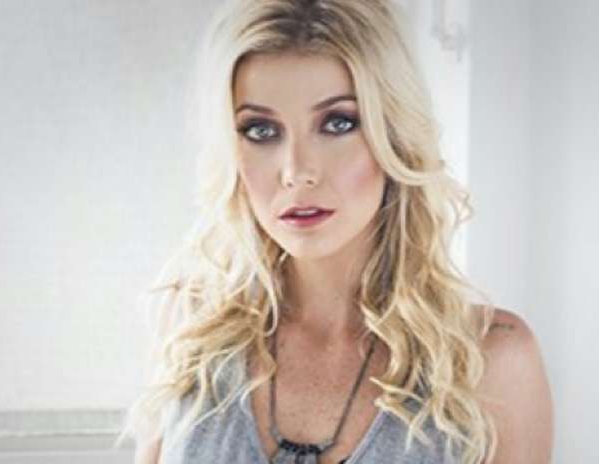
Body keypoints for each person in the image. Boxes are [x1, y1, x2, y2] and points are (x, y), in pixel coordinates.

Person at [117, 0, 553, 463]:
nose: (297, 171)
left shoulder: (491, 360)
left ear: (394, 135)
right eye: (261, 130)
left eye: (337, 123)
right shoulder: (188, 326)